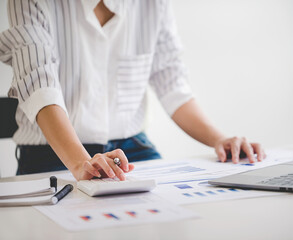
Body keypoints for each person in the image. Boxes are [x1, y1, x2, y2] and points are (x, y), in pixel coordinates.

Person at [0, 0, 265, 181]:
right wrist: (82, 163)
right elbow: (39, 84)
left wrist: (219, 140)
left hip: (133, 149)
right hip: (53, 154)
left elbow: (171, 82)